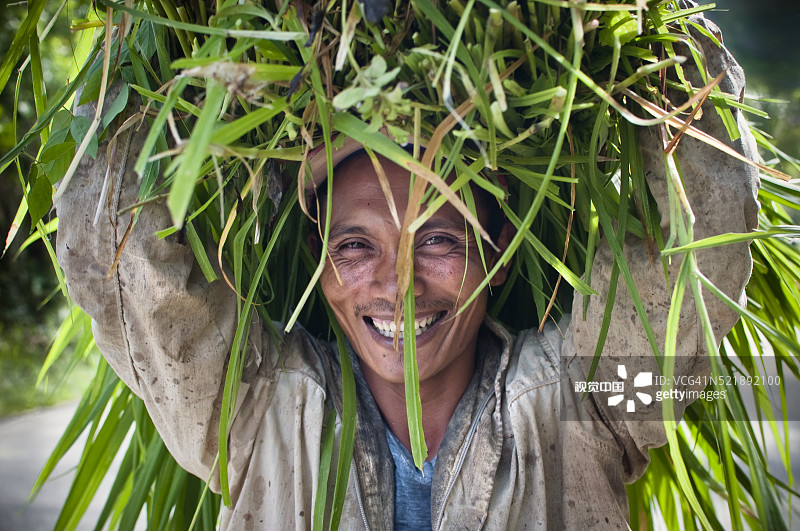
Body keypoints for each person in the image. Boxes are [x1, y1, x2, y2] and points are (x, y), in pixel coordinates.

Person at [56, 11, 759, 531]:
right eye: (355, 246)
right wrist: (146, 46)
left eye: (439, 239)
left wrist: (664, 44)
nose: (397, 283)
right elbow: (121, 257)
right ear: (315, 259)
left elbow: (701, 230)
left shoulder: (583, 407)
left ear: (501, 246)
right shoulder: (255, 410)